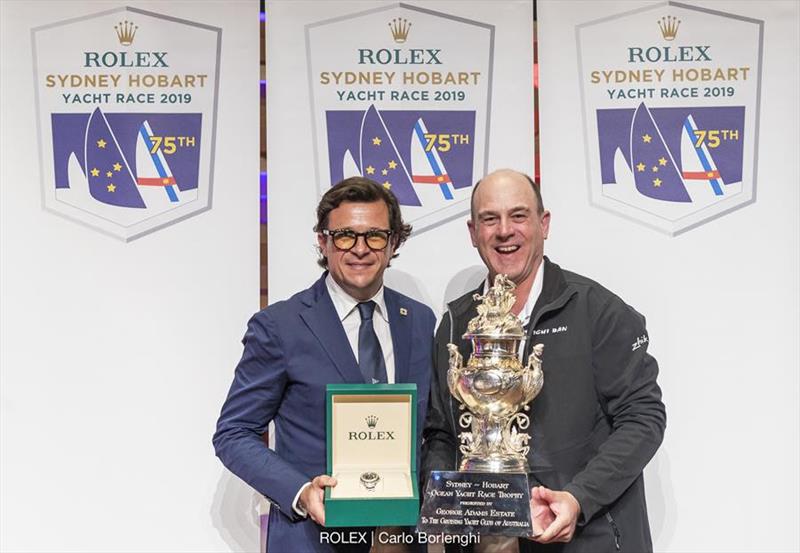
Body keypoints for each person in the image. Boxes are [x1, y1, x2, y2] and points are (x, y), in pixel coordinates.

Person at [422, 169, 666, 552]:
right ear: (473, 233)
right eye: (490, 219)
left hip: (586, 537)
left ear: (543, 223)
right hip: (483, 543)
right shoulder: (455, 324)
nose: (505, 231)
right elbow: (440, 433)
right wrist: (446, 502)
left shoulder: (596, 310)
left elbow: (643, 419)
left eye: (518, 216)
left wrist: (578, 498)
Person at [214, 177, 435, 552]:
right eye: (345, 235)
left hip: (401, 538)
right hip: (312, 538)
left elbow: (431, 430)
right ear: (323, 241)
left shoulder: (419, 320)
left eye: (375, 236)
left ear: (394, 242)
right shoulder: (280, 326)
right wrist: (300, 492)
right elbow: (234, 433)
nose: (360, 249)